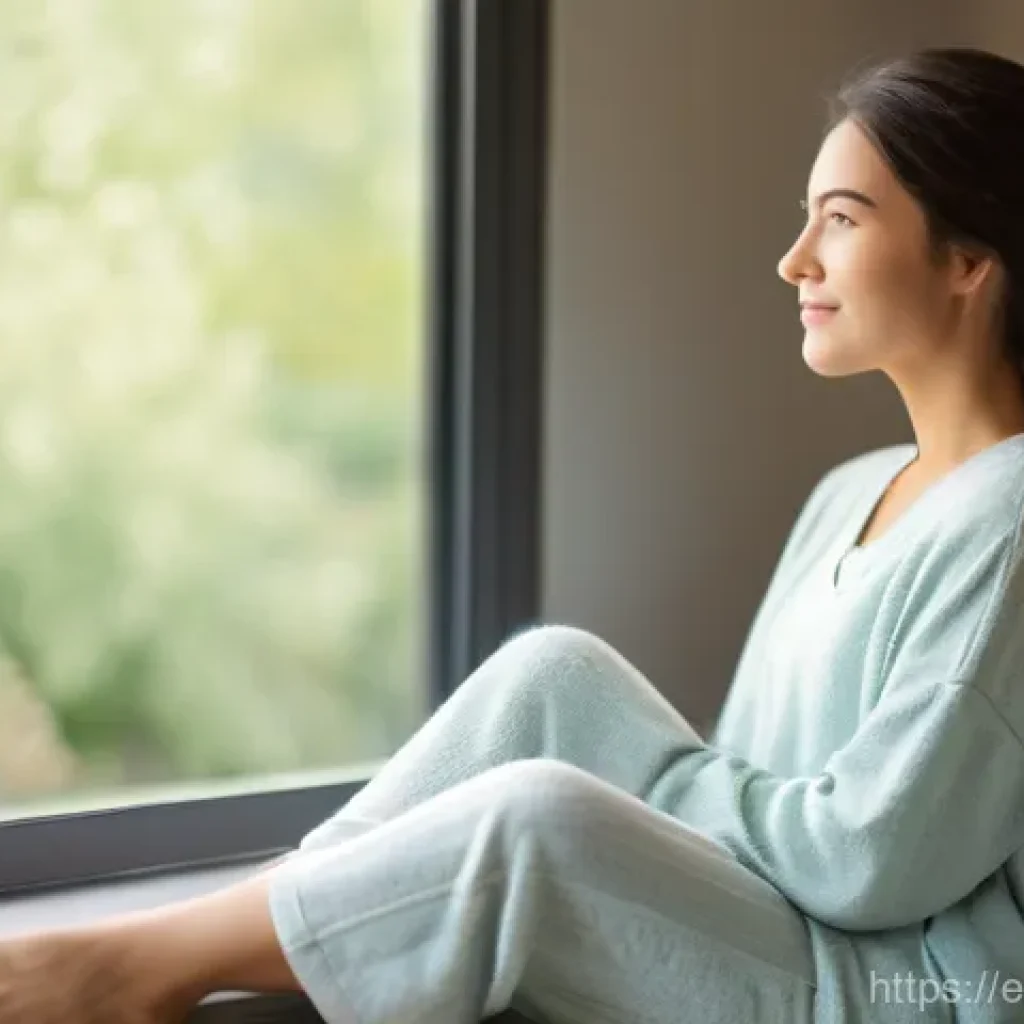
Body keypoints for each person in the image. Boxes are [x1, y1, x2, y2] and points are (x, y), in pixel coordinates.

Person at [3, 44, 1024, 1024]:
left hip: (899, 995)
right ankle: (274, 910)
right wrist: (633, 760)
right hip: (785, 935)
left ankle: (146, 968)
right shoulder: (850, 492)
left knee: (544, 818)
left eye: (839, 220)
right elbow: (750, 777)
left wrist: (639, 772)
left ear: (968, 259)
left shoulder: (1011, 519)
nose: (792, 258)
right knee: (554, 672)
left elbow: (867, 858)